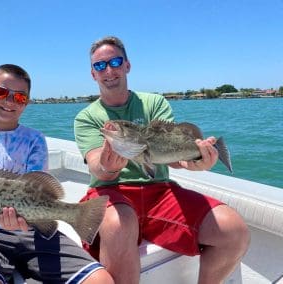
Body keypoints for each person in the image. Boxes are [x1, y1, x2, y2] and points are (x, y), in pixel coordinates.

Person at [74, 36, 250, 284]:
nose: (109, 70)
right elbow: (96, 164)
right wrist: (106, 167)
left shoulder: (154, 102)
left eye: (115, 61)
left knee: (234, 231)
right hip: (110, 193)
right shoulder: (86, 117)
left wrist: (194, 162)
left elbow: (173, 158)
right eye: (100, 66)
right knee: (117, 225)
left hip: (160, 192)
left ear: (127, 65)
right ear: (93, 74)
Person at [0, 64, 114, 284]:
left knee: (101, 280)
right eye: (1, 93)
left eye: (19, 97)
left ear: (26, 102)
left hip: (33, 228)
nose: (9, 101)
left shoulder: (34, 138)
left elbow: (38, 185)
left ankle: (75, 217)